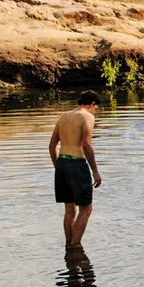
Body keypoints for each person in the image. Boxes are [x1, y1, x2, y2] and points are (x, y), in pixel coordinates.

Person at [49, 91, 104, 249]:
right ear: (91, 104)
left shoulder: (64, 116)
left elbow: (51, 146)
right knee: (86, 209)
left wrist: (58, 167)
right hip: (77, 164)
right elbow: (86, 145)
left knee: (69, 210)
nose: (95, 111)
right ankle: (75, 247)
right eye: (95, 107)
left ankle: (68, 245)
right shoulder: (87, 117)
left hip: (62, 164)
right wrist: (95, 171)